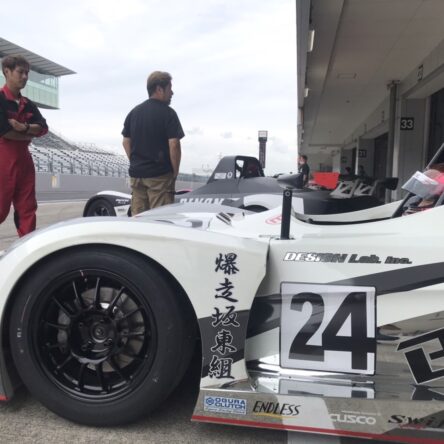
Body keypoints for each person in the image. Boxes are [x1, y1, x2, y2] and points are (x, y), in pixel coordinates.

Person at [122, 71, 184, 215]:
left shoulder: (134, 113)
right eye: (169, 88)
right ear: (159, 89)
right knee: (161, 219)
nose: (172, 93)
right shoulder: (168, 113)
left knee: (139, 218)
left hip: (137, 176)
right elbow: (174, 144)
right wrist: (174, 172)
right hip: (159, 177)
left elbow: (125, 141)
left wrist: (136, 161)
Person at [0, 55, 48, 237]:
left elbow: (44, 128)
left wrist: (24, 127)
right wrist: (30, 133)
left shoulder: (28, 104)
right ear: (7, 72)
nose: (25, 77)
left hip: (24, 163)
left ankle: (28, 247)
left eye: (27, 73)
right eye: (21, 72)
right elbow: (4, 132)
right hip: (3, 161)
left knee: (27, 210)